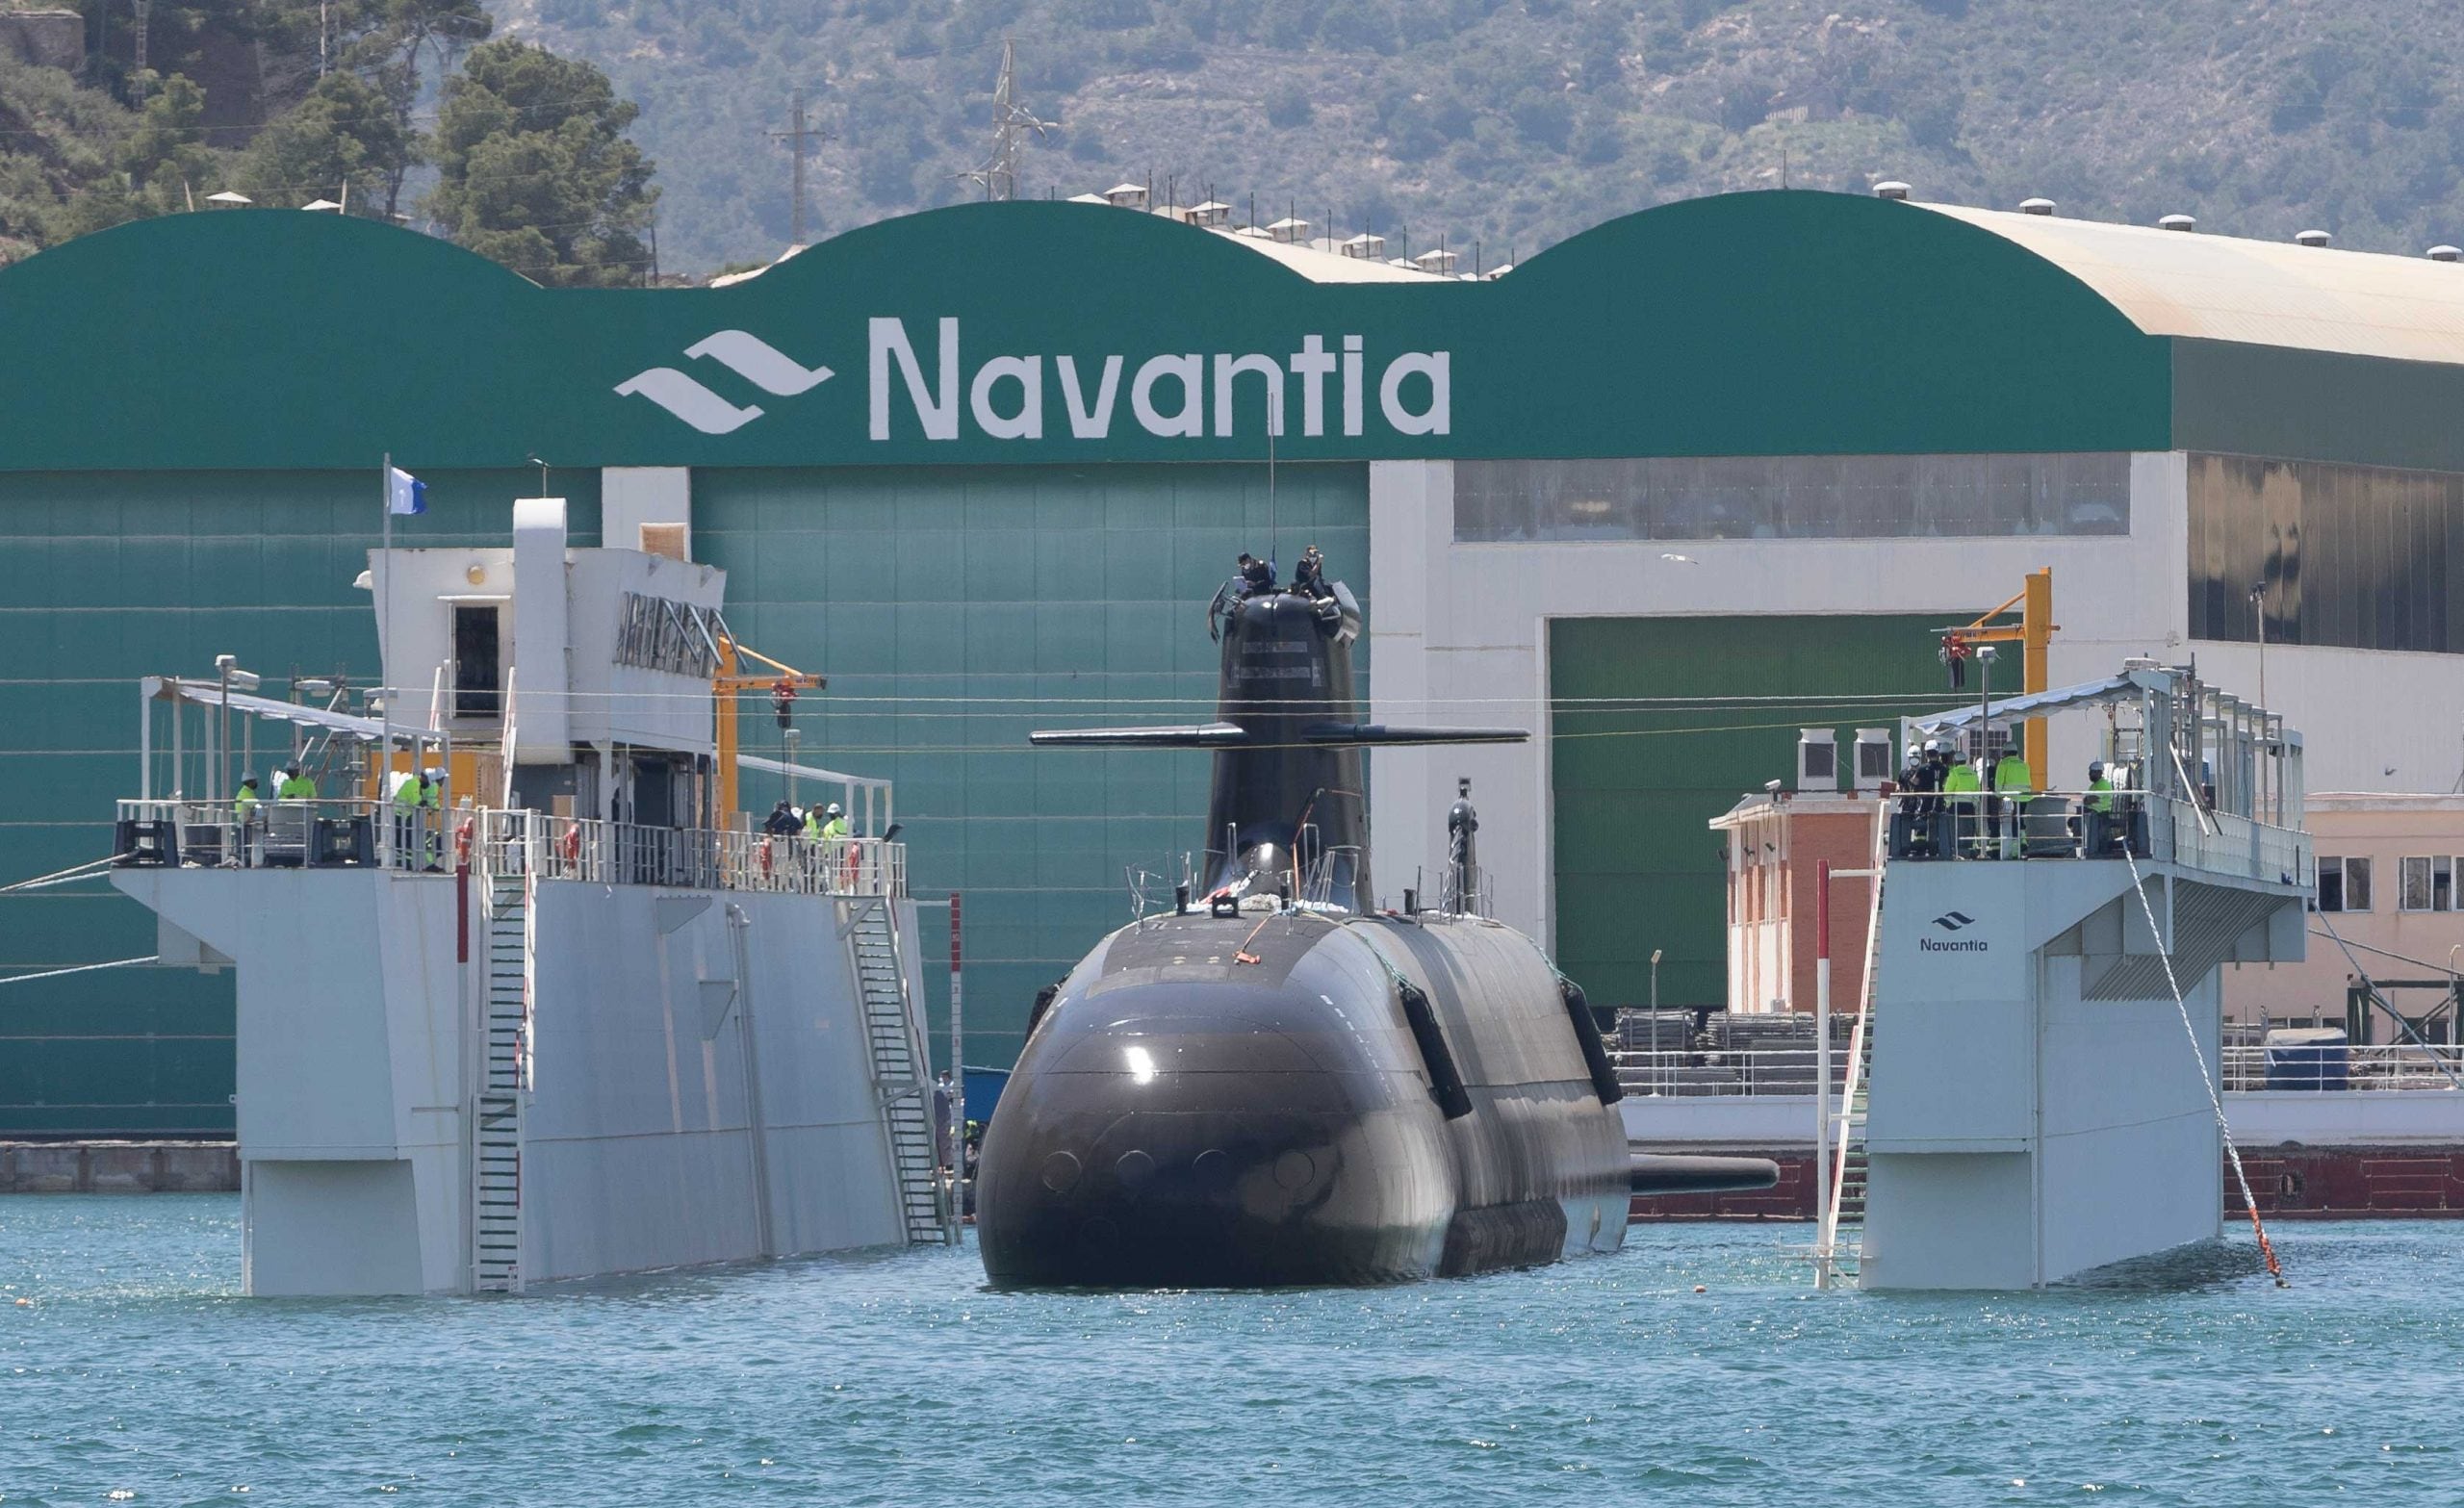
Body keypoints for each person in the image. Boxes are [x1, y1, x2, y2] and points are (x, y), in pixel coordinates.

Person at [1991, 742, 2034, 858]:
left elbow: (1998, 786)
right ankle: (2023, 841)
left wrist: (1998, 796)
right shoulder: (2024, 764)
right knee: (2019, 819)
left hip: (2009, 799)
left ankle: (2015, 849)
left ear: (2004, 753)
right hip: (2025, 798)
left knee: (2013, 822)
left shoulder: (2004, 764)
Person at [1941, 748, 1983, 858]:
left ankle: (1956, 849)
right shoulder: (1972, 773)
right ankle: (1968, 847)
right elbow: (1977, 791)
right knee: (1969, 827)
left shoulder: (1954, 773)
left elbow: (1948, 790)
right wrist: (1974, 803)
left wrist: (1948, 803)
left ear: (1955, 761)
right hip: (1969, 805)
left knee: (1954, 827)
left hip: (1956, 805)